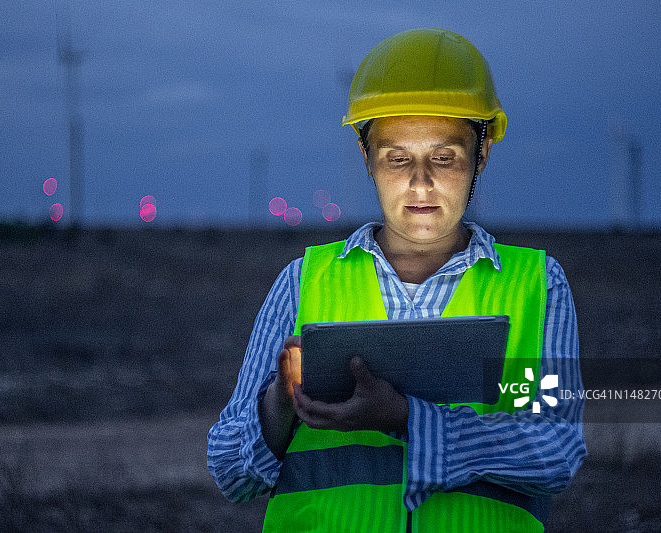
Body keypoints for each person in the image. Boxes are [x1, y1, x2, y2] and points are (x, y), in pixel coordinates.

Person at [207, 28, 586, 532]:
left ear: (482, 155)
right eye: (398, 158)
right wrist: (280, 401)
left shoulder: (537, 286)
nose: (421, 182)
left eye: (444, 157)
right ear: (367, 159)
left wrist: (409, 419)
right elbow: (231, 473)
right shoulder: (304, 283)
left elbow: (554, 451)